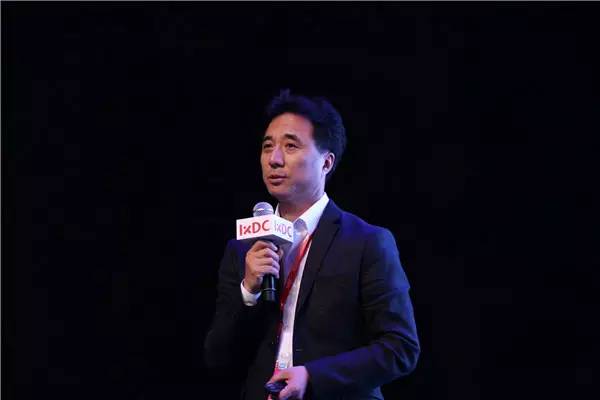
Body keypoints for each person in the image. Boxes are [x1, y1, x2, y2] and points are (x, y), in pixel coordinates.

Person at [204, 90, 420, 400]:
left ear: (326, 162)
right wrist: (249, 291)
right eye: (268, 147)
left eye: (290, 146)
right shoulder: (243, 249)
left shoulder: (366, 242)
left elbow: (400, 347)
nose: (274, 159)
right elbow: (218, 358)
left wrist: (312, 376)